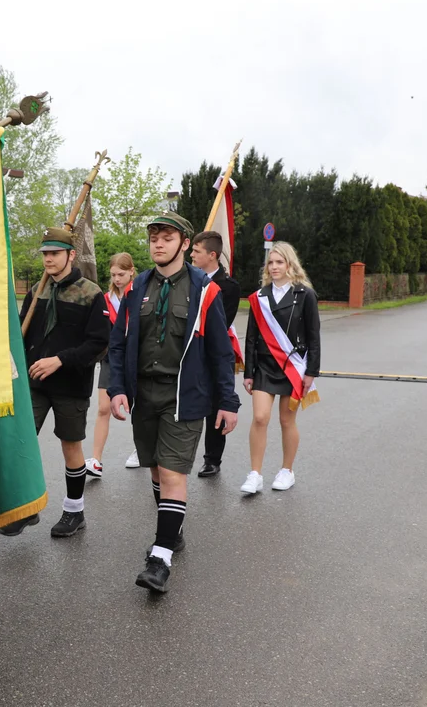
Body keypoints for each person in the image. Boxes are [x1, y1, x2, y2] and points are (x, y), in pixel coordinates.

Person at [108, 212, 240, 593]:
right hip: (143, 394)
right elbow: (118, 344)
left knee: (171, 473)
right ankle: (173, 530)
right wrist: (117, 388)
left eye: (166, 237)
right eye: (153, 238)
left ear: (184, 243)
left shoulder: (205, 290)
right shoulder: (136, 289)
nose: (158, 244)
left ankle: (160, 557)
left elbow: (220, 351)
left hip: (185, 394)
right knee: (154, 470)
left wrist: (227, 401)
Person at [3, 227, 110, 538]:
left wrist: (61, 360)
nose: (48, 259)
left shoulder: (91, 293)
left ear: (70, 255)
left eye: (54, 253)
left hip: (71, 383)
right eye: (45, 253)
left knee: (70, 446)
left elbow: (99, 343)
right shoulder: (38, 289)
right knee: (20, 440)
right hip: (34, 383)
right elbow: (22, 336)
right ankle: (25, 508)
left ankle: (74, 512)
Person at [240, 241, 321, 495]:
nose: (274, 267)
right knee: (260, 418)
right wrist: (249, 372)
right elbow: (251, 337)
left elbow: (314, 335)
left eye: (279, 262)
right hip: (264, 365)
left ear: (289, 264)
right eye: (270, 263)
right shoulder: (260, 297)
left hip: (292, 367)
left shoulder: (305, 294)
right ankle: (255, 474)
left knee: (287, 420)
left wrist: (311, 372)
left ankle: (287, 470)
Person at [188, 231, 241, 478]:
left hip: (213, 353)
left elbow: (221, 323)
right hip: (190, 353)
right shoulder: (187, 280)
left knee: (216, 407)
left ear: (212, 255)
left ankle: (212, 459)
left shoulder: (228, 287)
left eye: (196, 251)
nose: (191, 255)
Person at [87, 253, 138, 478]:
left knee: (141, 410)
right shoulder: (105, 298)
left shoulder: (141, 294)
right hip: (111, 359)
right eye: (113, 275)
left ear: (131, 272)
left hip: (137, 360)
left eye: (121, 274)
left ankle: (140, 450)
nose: (117, 278)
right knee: (103, 408)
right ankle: (96, 460)